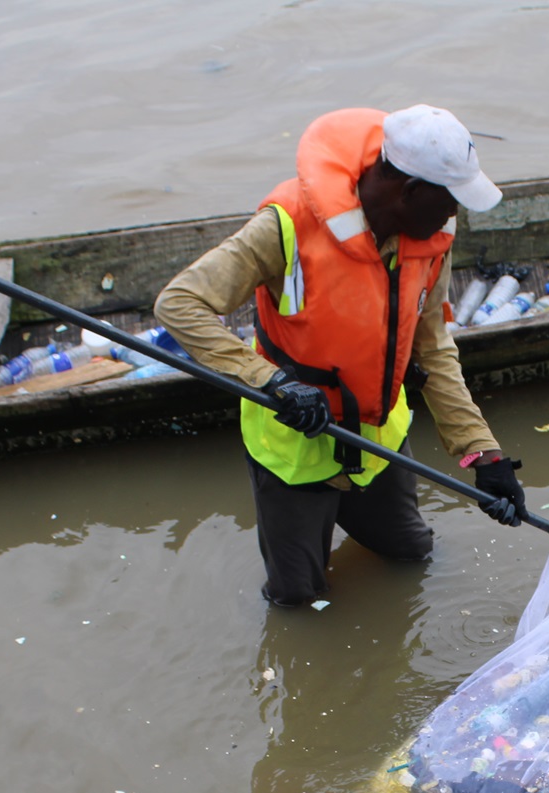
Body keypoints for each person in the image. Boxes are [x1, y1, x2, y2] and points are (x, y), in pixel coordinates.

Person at [157, 104, 525, 609]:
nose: (453, 217)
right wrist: (272, 382)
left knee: (411, 556)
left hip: (377, 440)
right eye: (450, 202)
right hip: (295, 443)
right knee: (297, 599)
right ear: (410, 191)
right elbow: (180, 303)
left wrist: (482, 454)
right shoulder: (285, 224)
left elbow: (434, 348)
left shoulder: (430, 241)